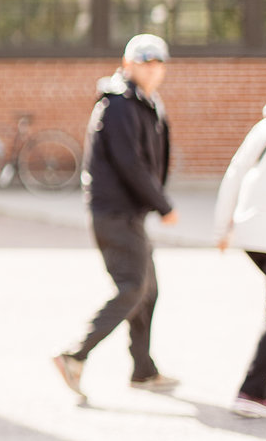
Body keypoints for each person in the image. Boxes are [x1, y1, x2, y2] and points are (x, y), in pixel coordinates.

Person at [53, 33, 179, 402]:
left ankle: (143, 370)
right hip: (115, 214)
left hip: (129, 214)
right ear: (128, 64)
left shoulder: (144, 102)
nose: (153, 70)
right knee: (132, 288)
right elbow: (130, 163)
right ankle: (75, 355)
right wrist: (163, 204)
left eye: (159, 64)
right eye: (145, 63)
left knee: (147, 290)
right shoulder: (119, 105)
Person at [213, 101, 266, 419]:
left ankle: (257, 391)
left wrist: (223, 225)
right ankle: (252, 391)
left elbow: (235, 173)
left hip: (251, 233)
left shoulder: (265, 127)